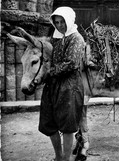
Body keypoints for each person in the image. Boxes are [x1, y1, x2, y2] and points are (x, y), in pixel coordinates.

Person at [38, 6, 86, 161]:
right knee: (48, 122)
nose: (59, 25)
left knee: (67, 125)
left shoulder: (76, 38)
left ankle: (65, 159)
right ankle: (59, 156)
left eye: (62, 22)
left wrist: (49, 72)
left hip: (69, 86)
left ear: (69, 21)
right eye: (56, 22)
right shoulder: (55, 37)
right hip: (52, 86)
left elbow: (71, 63)